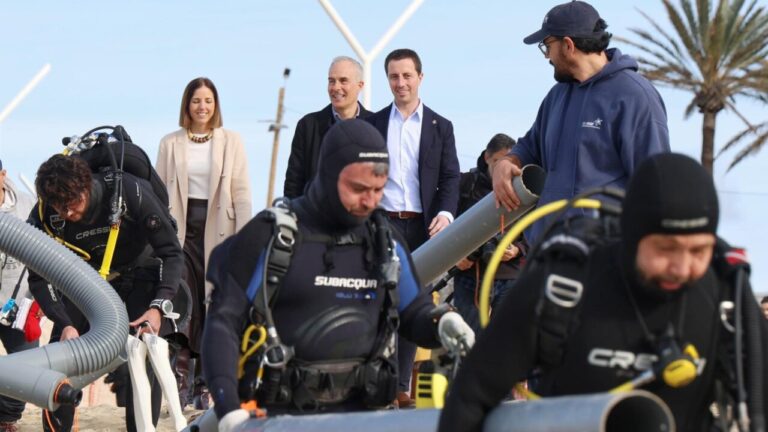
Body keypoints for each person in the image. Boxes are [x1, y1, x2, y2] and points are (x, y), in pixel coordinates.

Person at [438, 153, 768, 432]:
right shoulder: (564, 286)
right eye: (666, 249)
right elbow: (471, 396)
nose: (682, 268)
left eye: (699, 251)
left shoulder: (725, 300)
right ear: (633, 235)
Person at [202, 119, 474, 432]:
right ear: (328, 176)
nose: (370, 201)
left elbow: (413, 311)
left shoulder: (385, 242)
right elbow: (222, 323)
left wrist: (441, 323)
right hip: (280, 419)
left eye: (378, 190)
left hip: (364, 417)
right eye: (358, 189)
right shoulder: (269, 237)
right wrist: (229, 411)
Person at [28, 154, 184, 432]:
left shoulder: (127, 192)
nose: (67, 214)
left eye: (72, 205)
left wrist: (158, 306)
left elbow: (172, 253)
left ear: (86, 187)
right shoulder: (46, 214)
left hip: (141, 271)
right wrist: (63, 323)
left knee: (144, 351)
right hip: (89, 280)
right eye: (59, 207)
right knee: (60, 355)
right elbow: (38, 276)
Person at [492, 0, 669, 243]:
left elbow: (654, 186)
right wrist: (507, 161)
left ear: (568, 45)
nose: (547, 57)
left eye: (547, 46)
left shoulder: (635, 97)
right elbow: (530, 147)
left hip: (604, 256)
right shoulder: (556, 96)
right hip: (549, 253)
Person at [366, 48, 461, 406]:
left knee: (411, 305)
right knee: (376, 304)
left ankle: (401, 385)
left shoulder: (441, 126)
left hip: (422, 229)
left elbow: (451, 176)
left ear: (420, 77)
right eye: (393, 76)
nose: (400, 83)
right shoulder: (373, 124)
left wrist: (447, 214)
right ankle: (376, 383)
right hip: (382, 225)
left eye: (407, 76)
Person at [156, 76, 252, 408]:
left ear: (216, 105)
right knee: (185, 303)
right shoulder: (170, 143)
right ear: (187, 105)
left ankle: (204, 380)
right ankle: (180, 376)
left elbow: (240, 192)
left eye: (208, 100)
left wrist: (245, 237)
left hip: (218, 228)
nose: (202, 106)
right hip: (180, 231)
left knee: (214, 303)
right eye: (196, 100)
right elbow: (157, 193)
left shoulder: (231, 141)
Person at [453, 134, 527, 333]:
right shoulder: (465, 183)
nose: (501, 168)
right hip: (471, 275)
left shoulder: (523, 186)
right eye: (497, 161)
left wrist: (518, 249)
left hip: (510, 275)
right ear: (487, 157)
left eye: (506, 161)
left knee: (505, 342)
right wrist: (456, 255)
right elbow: (447, 224)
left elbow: (535, 226)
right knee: (468, 342)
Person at [283, 56, 373, 198]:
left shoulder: (376, 126)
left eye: (343, 81)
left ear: (360, 86)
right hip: (316, 217)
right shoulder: (308, 126)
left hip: (361, 217)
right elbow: (294, 182)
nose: (336, 87)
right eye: (331, 81)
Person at [0, 160, 38, 432]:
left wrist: (41, 301)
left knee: (27, 369)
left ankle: (6, 419)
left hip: (20, 304)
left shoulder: (30, 206)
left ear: (3, 175)